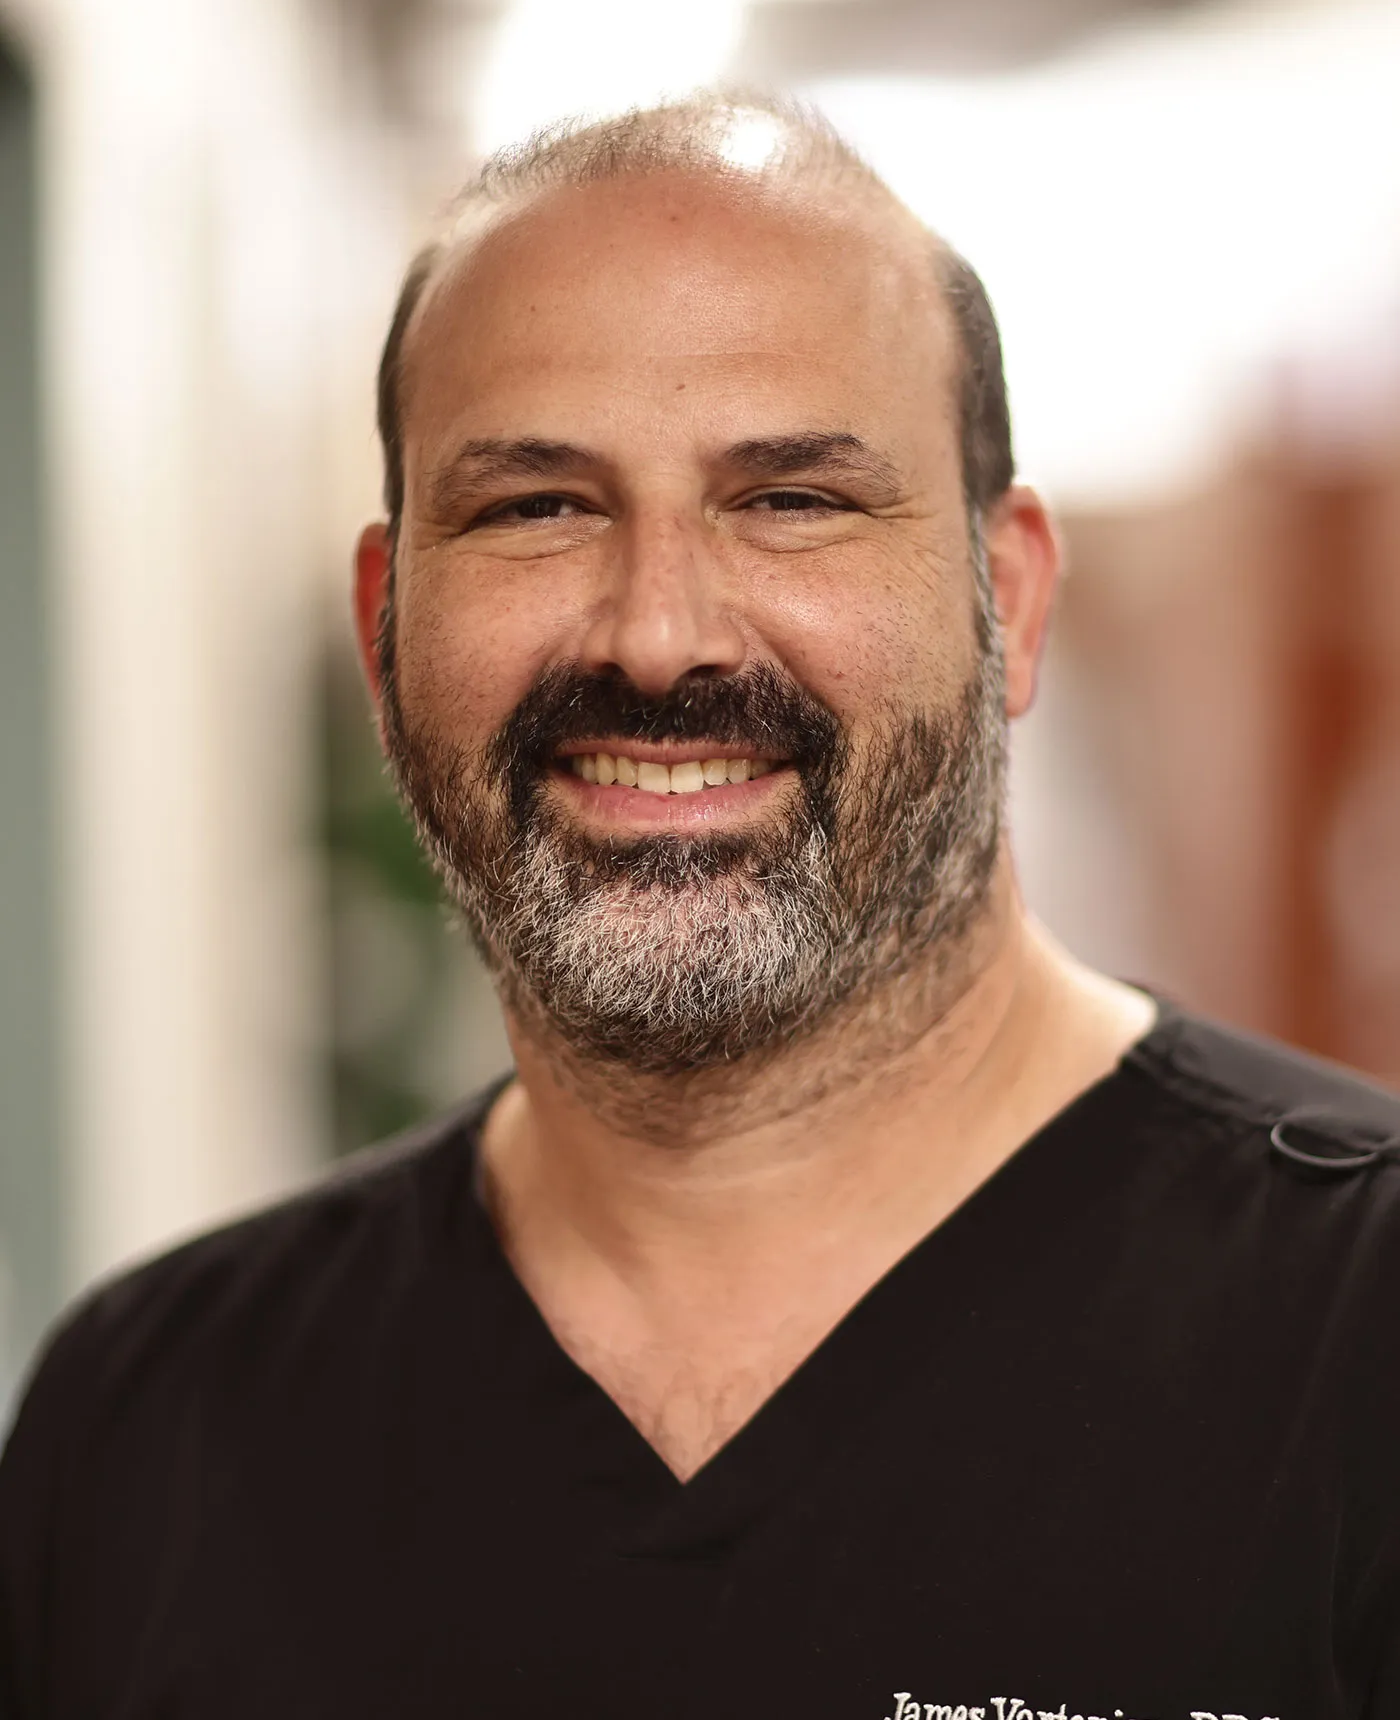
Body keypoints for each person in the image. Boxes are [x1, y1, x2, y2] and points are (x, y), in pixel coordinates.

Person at [1, 94, 1398, 1720]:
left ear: (1004, 599)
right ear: (386, 630)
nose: (659, 635)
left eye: (792, 497)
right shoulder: (151, 1426)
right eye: (538, 506)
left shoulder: (1356, 1342)